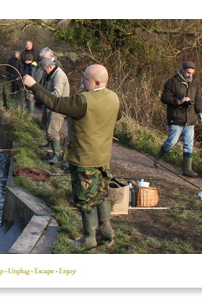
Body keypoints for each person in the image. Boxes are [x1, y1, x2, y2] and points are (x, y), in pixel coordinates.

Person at [22, 64, 121, 250]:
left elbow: (55, 103)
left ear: (97, 82)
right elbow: (117, 116)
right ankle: (107, 232)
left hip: (84, 161)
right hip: (102, 159)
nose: (82, 81)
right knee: (101, 194)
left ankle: (89, 239)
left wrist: (33, 85)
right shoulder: (114, 98)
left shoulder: (83, 101)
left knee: (85, 200)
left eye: (86, 79)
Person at [155, 61, 202, 177]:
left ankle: (187, 169)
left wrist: (200, 113)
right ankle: (159, 155)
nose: (189, 75)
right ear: (182, 69)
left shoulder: (194, 84)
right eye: (188, 73)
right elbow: (164, 98)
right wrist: (179, 101)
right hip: (176, 118)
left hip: (190, 119)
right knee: (171, 142)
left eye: (192, 73)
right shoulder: (172, 82)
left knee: (188, 144)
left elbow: (197, 101)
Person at [38, 57, 70, 165]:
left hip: (58, 107)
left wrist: (43, 96)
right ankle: (51, 149)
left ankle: (57, 155)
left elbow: (57, 94)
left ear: (51, 67)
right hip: (51, 105)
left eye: (44, 69)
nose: (43, 71)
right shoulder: (51, 74)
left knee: (53, 130)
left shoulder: (59, 76)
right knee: (46, 125)